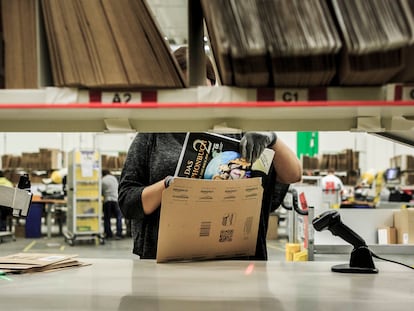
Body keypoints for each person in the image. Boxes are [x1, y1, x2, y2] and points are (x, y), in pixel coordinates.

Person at [118, 46, 302, 260]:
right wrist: (169, 186)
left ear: (213, 87)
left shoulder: (238, 129)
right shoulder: (153, 134)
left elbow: (293, 174)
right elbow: (128, 202)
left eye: (199, 90)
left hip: (236, 261)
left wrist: (272, 138)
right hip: (170, 261)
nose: (191, 98)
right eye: (182, 90)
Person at [101, 169, 123, 239]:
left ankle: (108, 234)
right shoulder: (114, 178)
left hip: (107, 200)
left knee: (107, 218)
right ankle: (119, 234)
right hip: (116, 200)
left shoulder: (102, 180)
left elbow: (101, 192)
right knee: (118, 217)